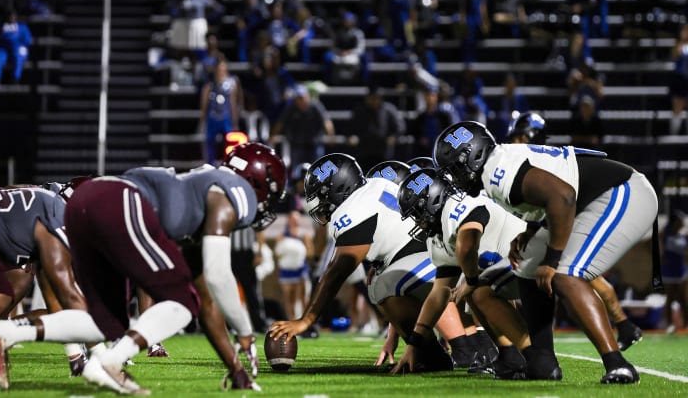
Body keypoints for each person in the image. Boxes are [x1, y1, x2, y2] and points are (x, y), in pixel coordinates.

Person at [0, 142, 287, 393]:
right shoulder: (232, 192)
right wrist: (246, 333)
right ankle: (108, 362)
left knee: (106, 322)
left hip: (91, 203)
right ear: (257, 182)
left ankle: (2, 332)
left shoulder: (198, 203)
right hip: (119, 201)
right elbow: (220, 276)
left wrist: (237, 370)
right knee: (179, 303)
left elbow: (205, 302)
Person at [433, 121, 658, 383]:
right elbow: (550, 193)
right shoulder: (498, 164)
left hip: (622, 192)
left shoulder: (497, 170)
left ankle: (618, 364)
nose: (455, 179)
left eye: (456, 170)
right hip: (585, 203)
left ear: (472, 157)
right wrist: (530, 231)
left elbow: (562, 196)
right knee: (509, 275)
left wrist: (551, 260)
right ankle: (541, 362)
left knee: (564, 275)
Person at [269, 153, 476, 371]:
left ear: (337, 189)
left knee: (389, 281)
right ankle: (429, 353)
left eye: (322, 197)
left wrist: (307, 319)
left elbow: (336, 272)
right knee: (380, 284)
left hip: (436, 262)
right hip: (445, 253)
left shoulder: (351, 209)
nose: (322, 206)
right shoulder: (376, 185)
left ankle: (466, 347)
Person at [507, 111, 643, 350]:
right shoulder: (541, 159)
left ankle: (622, 327)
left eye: (520, 137)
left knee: (572, 275)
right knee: (578, 277)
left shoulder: (539, 161)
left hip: (574, 215)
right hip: (566, 216)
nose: (516, 143)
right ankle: (625, 326)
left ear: (533, 135)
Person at [393, 168, 534, 378]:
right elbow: (438, 294)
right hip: (508, 270)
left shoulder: (459, 206)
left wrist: (470, 280)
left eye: (417, 213)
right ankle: (509, 353)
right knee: (474, 287)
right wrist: (414, 344)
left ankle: (531, 356)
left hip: (530, 258)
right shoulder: (438, 235)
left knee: (477, 288)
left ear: (432, 201)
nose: (417, 221)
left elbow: (467, 244)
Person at [0, 184, 88, 375]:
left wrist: (76, 359)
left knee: (1, 296)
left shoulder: (47, 203)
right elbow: (66, 296)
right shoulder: (55, 215)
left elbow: (55, 300)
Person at [270, 84, 334, 169]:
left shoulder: (315, 106)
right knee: (296, 170)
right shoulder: (291, 108)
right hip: (297, 145)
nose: (301, 101)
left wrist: (330, 135)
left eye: (302, 98)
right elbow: (280, 123)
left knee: (318, 169)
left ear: (307, 97)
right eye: (298, 98)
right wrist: (273, 136)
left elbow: (326, 122)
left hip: (314, 144)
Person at [349, 86, 406, 171]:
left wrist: (394, 137)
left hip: (383, 151)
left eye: (376, 98)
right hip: (365, 151)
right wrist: (353, 136)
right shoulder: (360, 110)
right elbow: (351, 128)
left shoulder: (388, 109)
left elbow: (400, 126)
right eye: (372, 98)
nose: (374, 101)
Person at [199, 55, 243, 165]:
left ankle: (230, 164)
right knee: (210, 144)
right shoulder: (209, 85)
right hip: (212, 117)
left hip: (226, 117)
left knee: (230, 144)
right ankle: (209, 165)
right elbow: (204, 103)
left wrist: (235, 121)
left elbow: (234, 102)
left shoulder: (232, 84)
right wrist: (203, 119)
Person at [274, 210, 312, 320]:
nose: (294, 221)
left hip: (300, 269)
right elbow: (277, 254)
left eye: (297, 218)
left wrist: (298, 252)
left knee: (303, 297)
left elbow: (310, 253)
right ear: (288, 220)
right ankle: (291, 320)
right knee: (288, 297)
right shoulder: (282, 236)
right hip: (286, 271)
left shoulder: (304, 235)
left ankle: (304, 321)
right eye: (292, 218)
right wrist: (287, 253)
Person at [661, 210, 688, 333]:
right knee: (670, 297)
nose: (682, 223)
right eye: (680, 221)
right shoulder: (666, 233)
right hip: (669, 271)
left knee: (683, 298)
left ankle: (686, 324)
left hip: (680, 270)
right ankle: (669, 324)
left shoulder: (682, 235)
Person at [0, 10, 32, 85]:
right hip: (4, 49)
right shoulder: (1, 26)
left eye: (13, 16)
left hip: (17, 49)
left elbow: (28, 40)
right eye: (9, 17)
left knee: (19, 55)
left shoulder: (22, 27)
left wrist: (18, 43)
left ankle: (15, 79)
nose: (11, 18)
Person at [669, 24, 688, 135]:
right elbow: (675, 55)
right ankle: (673, 135)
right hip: (680, 79)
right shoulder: (679, 45)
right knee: (677, 108)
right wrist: (682, 40)